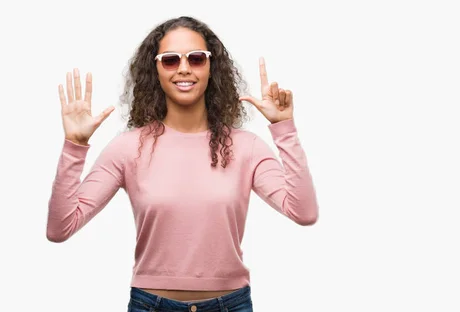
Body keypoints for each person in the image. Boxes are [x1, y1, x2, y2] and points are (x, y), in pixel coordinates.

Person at [46, 16, 319, 312]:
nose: (184, 68)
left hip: (230, 304)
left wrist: (284, 128)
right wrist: (75, 145)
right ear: (156, 70)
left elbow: (303, 212)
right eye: (171, 60)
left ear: (211, 67)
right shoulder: (127, 148)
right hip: (151, 305)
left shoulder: (246, 147)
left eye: (197, 58)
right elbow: (60, 228)